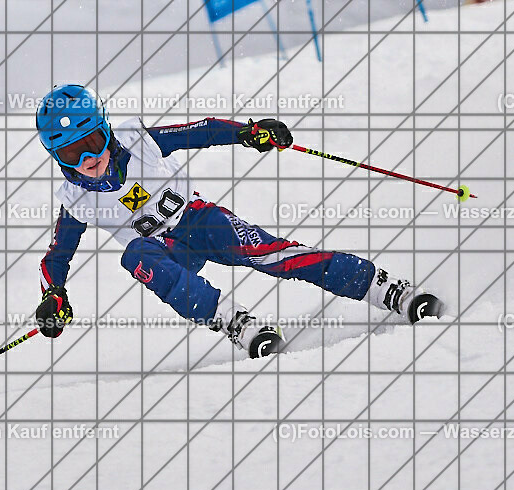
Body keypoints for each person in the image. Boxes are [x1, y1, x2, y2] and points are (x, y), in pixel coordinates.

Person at [33, 84, 443, 357]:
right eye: (72, 155)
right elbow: (57, 257)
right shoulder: (75, 200)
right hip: (163, 249)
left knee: (274, 257)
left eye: (92, 144)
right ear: (57, 158)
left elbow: (202, 131)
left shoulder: (141, 141)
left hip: (197, 220)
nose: (89, 161)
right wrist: (54, 296)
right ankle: (234, 321)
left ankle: (387, 289)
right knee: (135, 256)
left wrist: (250, 133)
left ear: (106, 131)